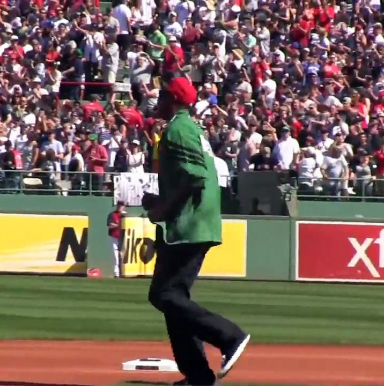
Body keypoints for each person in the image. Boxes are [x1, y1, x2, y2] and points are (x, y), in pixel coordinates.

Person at [141, 77, 249, 386]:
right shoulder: (185, 128)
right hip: (187, 222)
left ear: (173, 100)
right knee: (171, 296)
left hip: (191, 224)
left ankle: (228, 337)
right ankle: (198, 377)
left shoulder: (178, 129)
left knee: (165, 294)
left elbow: (197, 178)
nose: (156, 99)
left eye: (161, 94)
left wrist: (165, 209)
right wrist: (160, 202)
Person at [107, 201, 126, 278]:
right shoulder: (112, 215)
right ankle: (117, 273)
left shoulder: (125, 215)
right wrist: (118, 225)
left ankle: (123, 272)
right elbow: (110, 225)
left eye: (121, 205)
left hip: (123, 237)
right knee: (115, 255)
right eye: (119, 205)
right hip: (114, 237)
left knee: (122, 255)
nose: (120, 207)